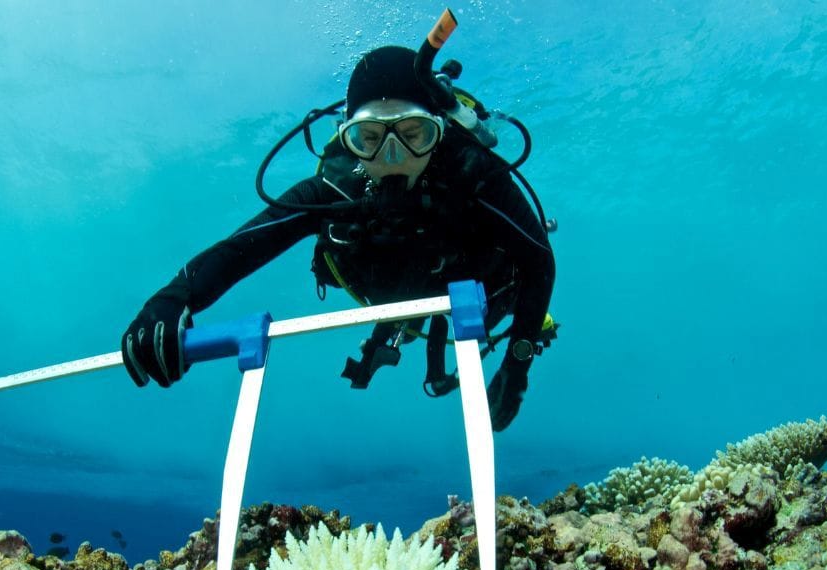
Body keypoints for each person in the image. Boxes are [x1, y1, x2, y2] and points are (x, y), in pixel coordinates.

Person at [122, 44, 556, 431]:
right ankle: (400, 327)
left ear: (438, 131)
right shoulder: (333, 188)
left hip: (480, 285)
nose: (392, 158)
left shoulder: (473, 172)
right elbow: (242, 248)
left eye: (413, 135)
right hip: (387, 285)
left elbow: (538, 260)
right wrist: (172, 297)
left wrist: (517, 364)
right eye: (368, 138)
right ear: (347, 138)